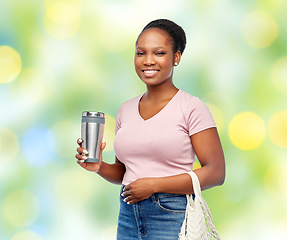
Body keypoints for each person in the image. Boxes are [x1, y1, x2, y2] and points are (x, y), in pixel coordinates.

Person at [75, 19, 225, 240]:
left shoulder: (191, 107)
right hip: (128, 215)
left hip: (171, 216)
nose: (148, 61)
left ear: (176, 58)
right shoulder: (126, 109)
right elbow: (125, 171)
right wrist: (99, 167)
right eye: (140, 53)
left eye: (159, 53)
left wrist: (154, 185)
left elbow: (216, 173)